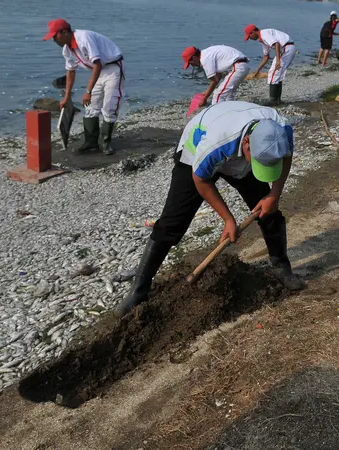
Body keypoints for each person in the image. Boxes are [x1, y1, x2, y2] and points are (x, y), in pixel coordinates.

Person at [113, 101, 305, 316]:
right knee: (171, 223)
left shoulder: (281, 130)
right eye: (259, 162)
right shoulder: (216, 142)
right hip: (196, 151)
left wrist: (274, 195)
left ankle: (281, 267)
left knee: (269, 213)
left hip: (241, 150)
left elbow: (285, 157)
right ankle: (138, 290)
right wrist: (228, 220)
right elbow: (201, 179)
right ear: (247, 143)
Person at [43, 19, 124, 155]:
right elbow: (70, 72)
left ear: (64, 32)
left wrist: (88, 91)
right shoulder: (67, 50)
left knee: (109, 106)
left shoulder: (83, 38)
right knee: (91, 107)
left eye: (54, 36)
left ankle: (106, 143)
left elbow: (97, 64)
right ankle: (91, 143)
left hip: (112, 67)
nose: (54, 40)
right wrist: (67, 97)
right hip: (99, 70)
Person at [245, 25, 297, 106]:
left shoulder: (264, 34)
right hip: (287, 48)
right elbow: (266, 57)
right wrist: (257, 71)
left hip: (286, 47)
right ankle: (277, 100)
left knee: (273, 73)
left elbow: (276, 44)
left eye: (249, 36)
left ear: (253, 32)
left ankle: (273, 100)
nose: (250, 38)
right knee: (277, 74)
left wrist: (278, 60)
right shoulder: (262, 40)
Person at [181, 45, 250, 106]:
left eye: (190, 63)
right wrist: (206, 92)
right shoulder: (206, 53)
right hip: (241, 65)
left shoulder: (205, 59)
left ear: (194, 57)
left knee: (218, 95)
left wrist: (204, 99)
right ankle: (231, 113)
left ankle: (217, 116)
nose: (192, 65)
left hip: (238, 67)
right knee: (228, 95)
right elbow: (218, 76)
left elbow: (214, 80)